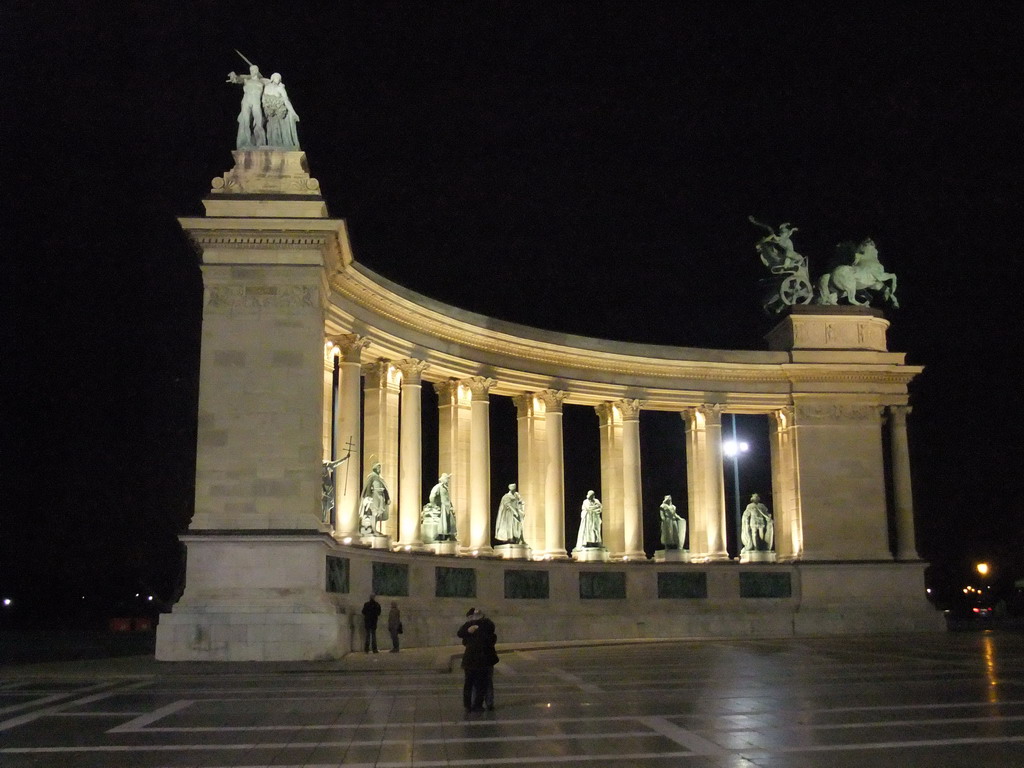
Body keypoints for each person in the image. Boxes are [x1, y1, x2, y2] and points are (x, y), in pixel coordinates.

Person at [457, 607, 498, 712]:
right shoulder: (470, 626)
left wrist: (475, 629)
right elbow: (461, 635)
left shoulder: (486, 625)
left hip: (483, 660)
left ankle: (482, 704)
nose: (472, 619)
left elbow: (489, 638)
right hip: (473, 660)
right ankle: (473, 705)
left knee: (483, 683)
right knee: (474, 684)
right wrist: (469, 630)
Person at [226, 64, 268, 148]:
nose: (252, 72)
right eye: (251, 70)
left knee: (259, 123)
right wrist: (234, 77)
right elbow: (237, 79)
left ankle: (261, 143)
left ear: (257, 71)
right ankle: (247, 142)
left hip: (256, 102)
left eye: (253, 70)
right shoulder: (246, 80)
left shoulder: (262, 81)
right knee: (246, 122)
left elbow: (273, 83)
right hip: (246, 102)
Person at [262, 72, 301, 148]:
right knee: (271, 129)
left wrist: (293, 113)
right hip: (269, 112)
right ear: (272, 78)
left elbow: (286, 101)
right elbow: (263, 99)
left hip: (280, 112)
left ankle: (281, 145)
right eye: (277, 78)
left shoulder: (280, 88)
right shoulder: (266, 87)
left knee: (279, 128)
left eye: (279, 79)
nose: (278, 80)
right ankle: (272, 145)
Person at [359, 463, 391, 536]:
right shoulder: (372, 476)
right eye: (378, 468)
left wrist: (387, 498)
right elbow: (369, 486)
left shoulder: (380, 478)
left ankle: (375, 528)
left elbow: (385, 488)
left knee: (378, 513)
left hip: (381, 495)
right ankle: (372, 529)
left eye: (380, 468)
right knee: (374, 512)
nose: (380, 470)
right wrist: (369, 496)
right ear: (375, 468)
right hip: (374, 495)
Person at [321, 453, 350, 525]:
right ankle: (322, 519)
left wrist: (345, 458)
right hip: (320, 487)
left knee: (325, 503)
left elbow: (336, 463)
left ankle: (324, 519)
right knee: (321, 503)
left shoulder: (326, 464)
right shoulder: (315, 465)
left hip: (327, 487)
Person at [429, 473, 457, 540]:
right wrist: (434, 506)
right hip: (443, 506)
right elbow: (432, 496)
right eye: (446, 479)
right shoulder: (438, 486)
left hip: (448, 507)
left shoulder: (445, 488)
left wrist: (451, 506)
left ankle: (449, 535)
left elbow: (447, 498)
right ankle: (441, 535)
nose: (447, 480)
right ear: (443, 479)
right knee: (443, 522)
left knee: (450, 523)